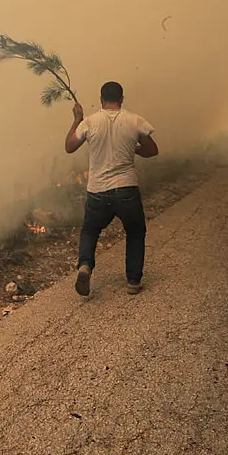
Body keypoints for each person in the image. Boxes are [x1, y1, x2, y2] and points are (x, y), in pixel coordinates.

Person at [64, 81, 159, 296]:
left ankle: (85, 267)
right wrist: (133, 149)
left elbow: (69, 147)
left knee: (90, 230)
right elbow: (152, 150)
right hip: (126, 189)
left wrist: (77, 119)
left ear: (100, 99)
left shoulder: (89, 122)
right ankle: (133, 281)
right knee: (135, 232)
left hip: (97, 190)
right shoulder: (134, 121)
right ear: (122, 98)